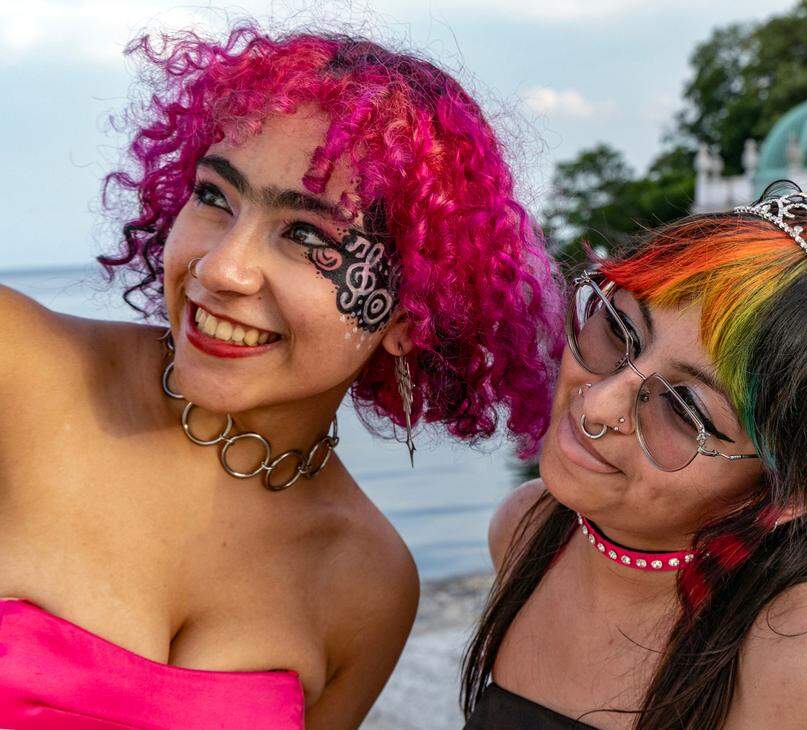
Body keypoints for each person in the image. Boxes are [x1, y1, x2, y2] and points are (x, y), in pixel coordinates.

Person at [0, 24, 561, 729]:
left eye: (307, 236)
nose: (220, 269)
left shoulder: (370, 581)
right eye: (214, 197)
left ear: (412, 314)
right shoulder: (17, 370)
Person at [462, 187, 807, 729]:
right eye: (617, 330)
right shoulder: (528, 530)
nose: (597, 403)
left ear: (792, 492)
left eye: (683, 409)